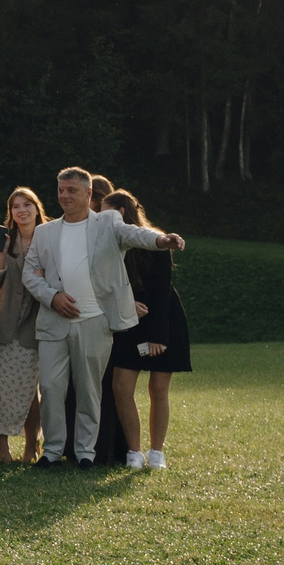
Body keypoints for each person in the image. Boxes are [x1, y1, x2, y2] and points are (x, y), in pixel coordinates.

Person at [20, 169, 184, 467]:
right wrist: (53, 297)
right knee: (52, 388)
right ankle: (53, 452)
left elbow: (135, 234)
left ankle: (85, 452)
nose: (65, 196)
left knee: (89, 390)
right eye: (60, 190)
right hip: (53, 323)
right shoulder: (45, 232)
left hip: (95, 322)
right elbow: (29, 273)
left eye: (71, 190)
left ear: (87, 193)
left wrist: (161, 240)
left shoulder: (108, 221)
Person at [105, 189, 191, 471]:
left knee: (158, 387)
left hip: (163, 321)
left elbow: (163, 290)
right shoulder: (106, 244)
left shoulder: (155, 239)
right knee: (121, 386)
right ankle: (134, 452)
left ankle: (156, 452)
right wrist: (125, 304)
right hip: (128, 322)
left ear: (119, 213)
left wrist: (157, 336)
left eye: (104, 212)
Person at [0, 187, 47, 464]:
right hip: (0, 319)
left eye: (26, 204)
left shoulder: (50, 238)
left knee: (30, 389)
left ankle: (32, 444)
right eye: (15, 206)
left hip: (34, 322)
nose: (21, 210)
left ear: (36, 208)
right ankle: (2, 445)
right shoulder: (3, 239)